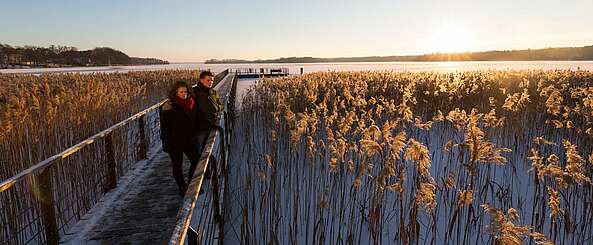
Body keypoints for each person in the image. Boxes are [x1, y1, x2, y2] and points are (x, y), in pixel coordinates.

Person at [160, 81, 200, 196]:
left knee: (196, 160)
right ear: (175, 93)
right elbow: (165, 127)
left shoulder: (191, 103)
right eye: (181, 92)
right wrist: (166, 143)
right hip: (174, 141)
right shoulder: (170, 106)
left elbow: (195, 120)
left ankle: (191, 185)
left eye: (185, 91)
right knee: (177, 165)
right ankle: (182, 188)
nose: (184, 94)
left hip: (188, 139)